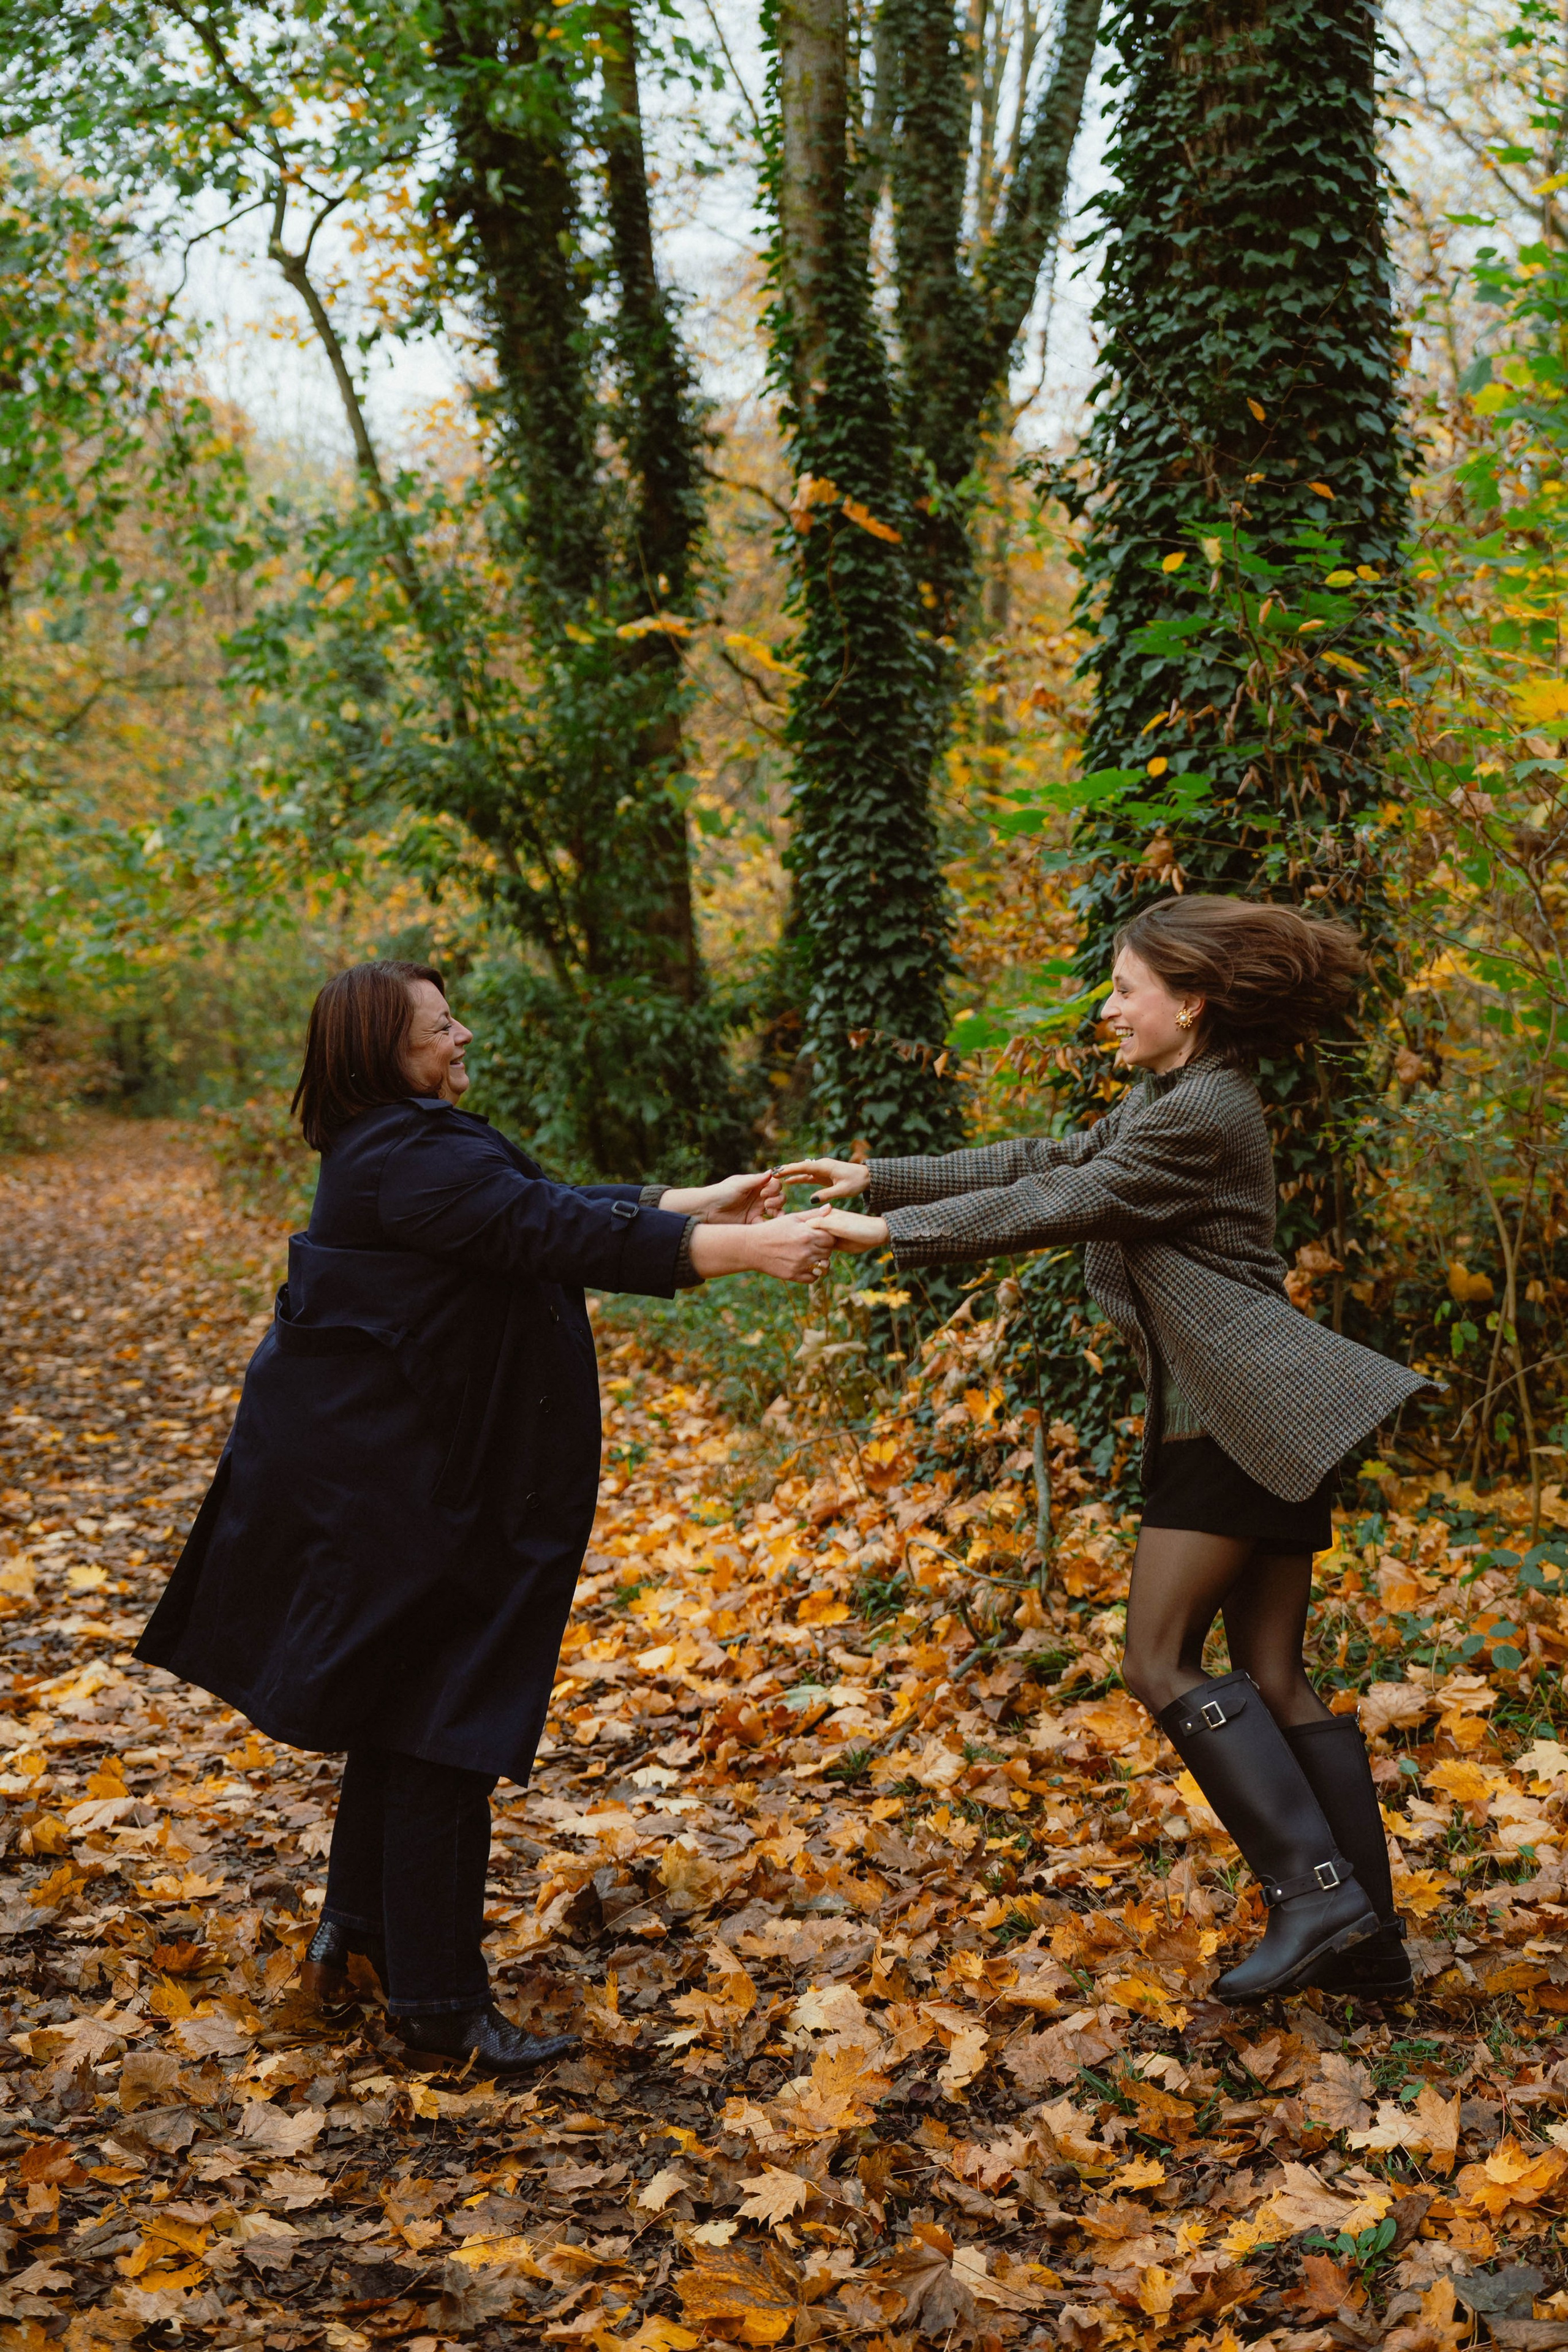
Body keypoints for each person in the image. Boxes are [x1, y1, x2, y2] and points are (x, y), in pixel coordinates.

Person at [137, 961, 835, 2074]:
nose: (462, 1036)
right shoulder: (408, 1157)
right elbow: (549, 1234)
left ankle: (360, 1943)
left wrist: (692, 1204)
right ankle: (439, 2008)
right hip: (407, 1485)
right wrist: (742, 1250)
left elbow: (540, 1210)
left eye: (454, 1015)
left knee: (401, 1703)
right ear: (379, 1049)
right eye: (439, 1025)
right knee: (442, 1723)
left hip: (402, 1474)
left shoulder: (405, 1144)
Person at [782, 895, 1436, 2003]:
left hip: (1227, 1420)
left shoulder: (1205, 1112)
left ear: (1191, 1001)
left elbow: (1067, 1197)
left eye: (1127, 987)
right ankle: (1367, 1948)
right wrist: (880, 1177)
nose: (1111, 1006)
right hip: (1271, 1410)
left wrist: (890, 1234)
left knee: (1157, 1658)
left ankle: (1316, 1896)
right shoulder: (1180, 1095)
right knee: (1272, 1675)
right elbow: (1054, 1153)